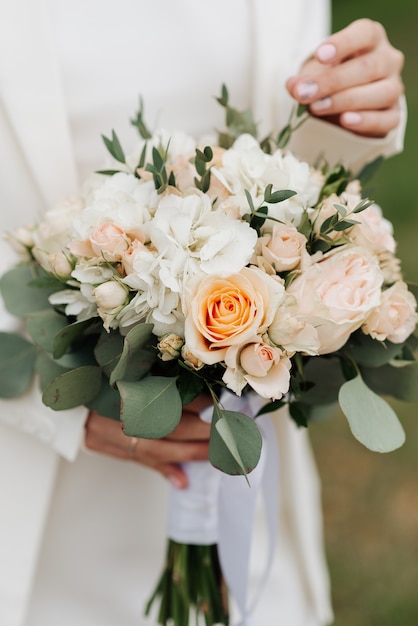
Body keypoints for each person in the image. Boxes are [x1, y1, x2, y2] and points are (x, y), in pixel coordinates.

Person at [0, 2, 405, 625]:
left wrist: (352, 110)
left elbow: (290, 156)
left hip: (234, 463)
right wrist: (45, 406)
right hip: (32, 497)